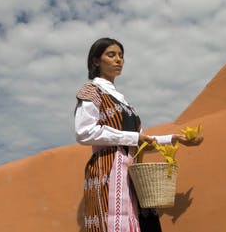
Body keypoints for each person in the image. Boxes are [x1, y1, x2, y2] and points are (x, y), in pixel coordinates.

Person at [74, 37, 204, 232]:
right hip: (108, 171)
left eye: (121, 56)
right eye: (111, 55)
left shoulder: (126, 104)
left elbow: (141, 141)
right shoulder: (91, 91)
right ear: (95, 61)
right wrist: (133, 137)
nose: (119, 60)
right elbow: (84, 132)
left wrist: (173, 139)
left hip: (133, 174)